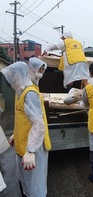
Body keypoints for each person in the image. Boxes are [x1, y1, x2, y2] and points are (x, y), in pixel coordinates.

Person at [2, 62, 51, 197]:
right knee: (26, 182)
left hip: (33, 147)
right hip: (24, 143)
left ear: (20, 75)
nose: (11, 81)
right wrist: (15, 134)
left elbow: (38, 124)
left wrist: (30, 151)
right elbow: (24, 119)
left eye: (13, 77)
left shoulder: (29, 94)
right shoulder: (20, 92)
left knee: (35, 186)